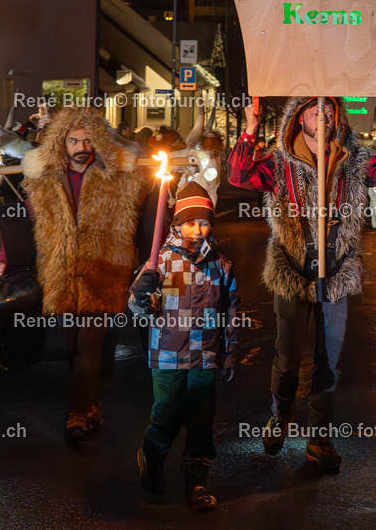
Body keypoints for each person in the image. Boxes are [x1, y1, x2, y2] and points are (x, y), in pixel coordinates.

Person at [228, 97, 376, 471]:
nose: (322, 115)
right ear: (299, 118)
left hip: (337, 272)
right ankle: (280, 416)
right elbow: (239, 176)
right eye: (313, 110)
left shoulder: (353, 160)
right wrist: (249, 128)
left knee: (330, 362)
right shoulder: (279, 163)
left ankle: (319, 439)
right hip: (292, 270)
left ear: (338, 116)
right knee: (288, 355)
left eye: (328, 110)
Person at [20, 106, 146, 445]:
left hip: (102, 269)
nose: (81, 146)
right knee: (72, 346)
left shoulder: (117, 176)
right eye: (74, 140)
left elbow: (142, 171)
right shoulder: (45, 179)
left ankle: (76, 412)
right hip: (62, 271)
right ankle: (91, 403)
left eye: (88, 139)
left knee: (89, 344)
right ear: (62, 143)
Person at [129, 182, 239, 512]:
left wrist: (230, 350)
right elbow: (137, 309)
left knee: (201, 418)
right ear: (176, 224)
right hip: (167, 354)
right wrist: (140, 294)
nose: (197, 229)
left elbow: (231, 309)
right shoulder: (159, 262)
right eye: (189, 222)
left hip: (206, 355)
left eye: (204, 222)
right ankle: (152, 457)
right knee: (166, 413)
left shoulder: (221, 266)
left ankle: (197, 479)